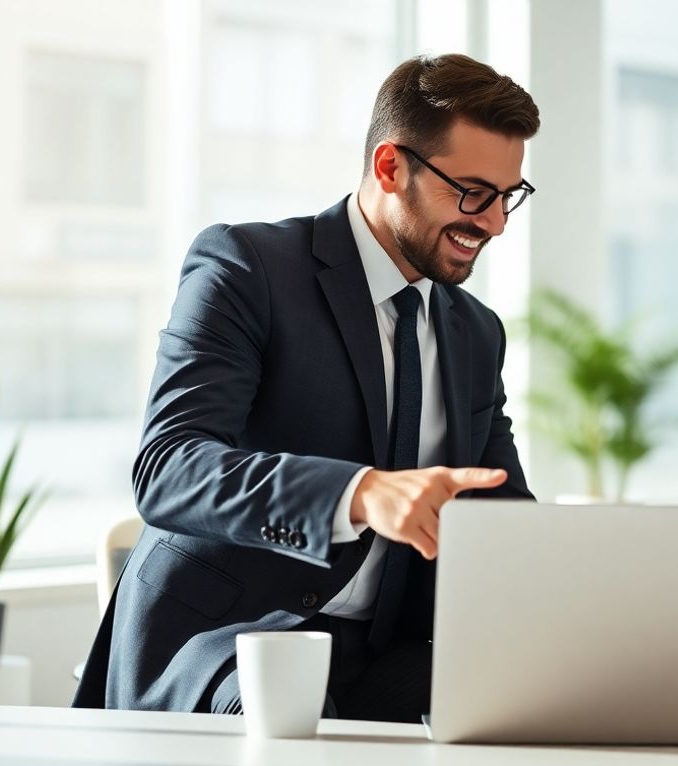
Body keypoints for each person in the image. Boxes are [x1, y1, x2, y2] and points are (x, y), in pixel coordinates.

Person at [73, 53, 539, 723]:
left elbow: (503, 515)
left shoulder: (475, 332)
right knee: (288, 723)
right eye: (472, 192)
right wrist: (360, 494)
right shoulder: (248, 266)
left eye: (508, 196)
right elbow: (169, 469)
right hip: (231, 644)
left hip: (388, 656)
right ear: (390, 167)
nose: (494, 222)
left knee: (603, 712)